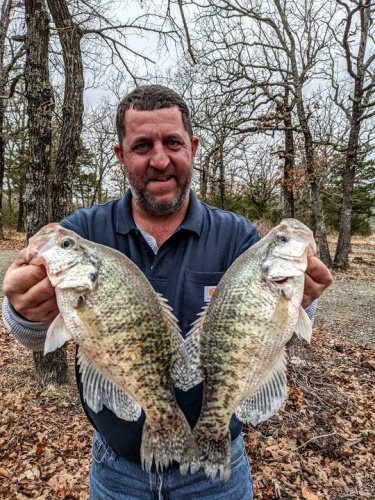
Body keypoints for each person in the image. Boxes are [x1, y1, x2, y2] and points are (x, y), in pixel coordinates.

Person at [2, 85, 333, 499]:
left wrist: (306, 299)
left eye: (172, 142)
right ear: (121, 155)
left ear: (192, 148)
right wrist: (24, 312)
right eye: (142, 146)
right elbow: (36, 335)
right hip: (116, 470)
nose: (160, 160)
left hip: (218, 475)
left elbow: (278, 331)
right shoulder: (84, 232)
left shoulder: (237, 236)